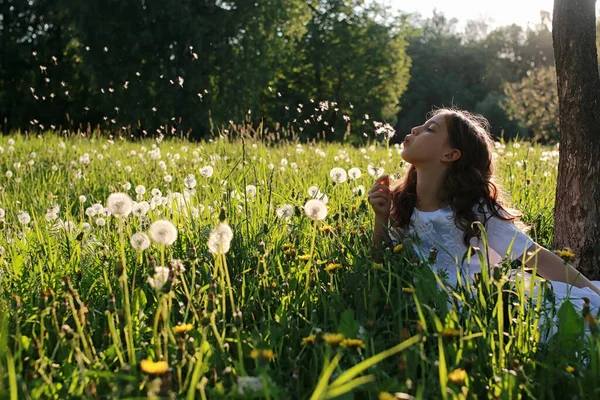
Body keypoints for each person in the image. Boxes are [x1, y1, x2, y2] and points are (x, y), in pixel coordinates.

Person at [367, 107, 600, 314]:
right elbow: (383, 263)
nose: (415, 129)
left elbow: (535, 257)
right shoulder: (402, 202)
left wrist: (593, 293)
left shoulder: (474, 210)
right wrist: (381, 218)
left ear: (450, 155)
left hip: (486, 305)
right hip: (424, 308)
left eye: (430, 129)